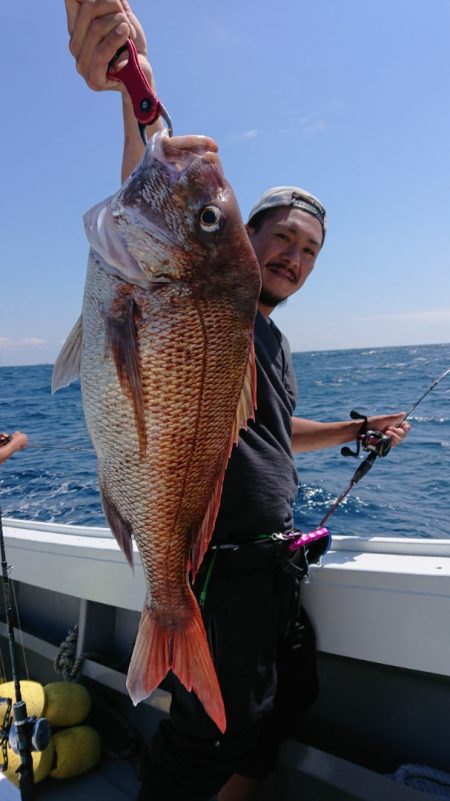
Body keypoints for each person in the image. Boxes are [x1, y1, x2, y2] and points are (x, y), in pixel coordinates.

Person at [64, 4, 411, 799]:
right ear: (246, 245)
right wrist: (129, 81)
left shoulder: (273, 343)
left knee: (280, 705)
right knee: (209, 735)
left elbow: (275, 437)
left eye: (309, 251)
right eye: (279, 239)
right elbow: (149, 188)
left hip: (273, 564)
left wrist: (359, 429)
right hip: (213, 567)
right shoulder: (209, 306)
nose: (292, 257)